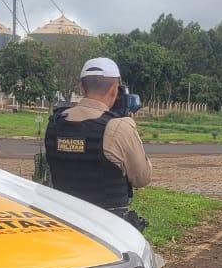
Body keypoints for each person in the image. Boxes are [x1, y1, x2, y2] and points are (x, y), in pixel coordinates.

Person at [43, 57, 153, 230]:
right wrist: (130, 128)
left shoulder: (55, 122)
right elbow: (142, 178)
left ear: (81, 88)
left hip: (65, 222)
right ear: (115, 90)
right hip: (108, 228)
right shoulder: (119, 127)